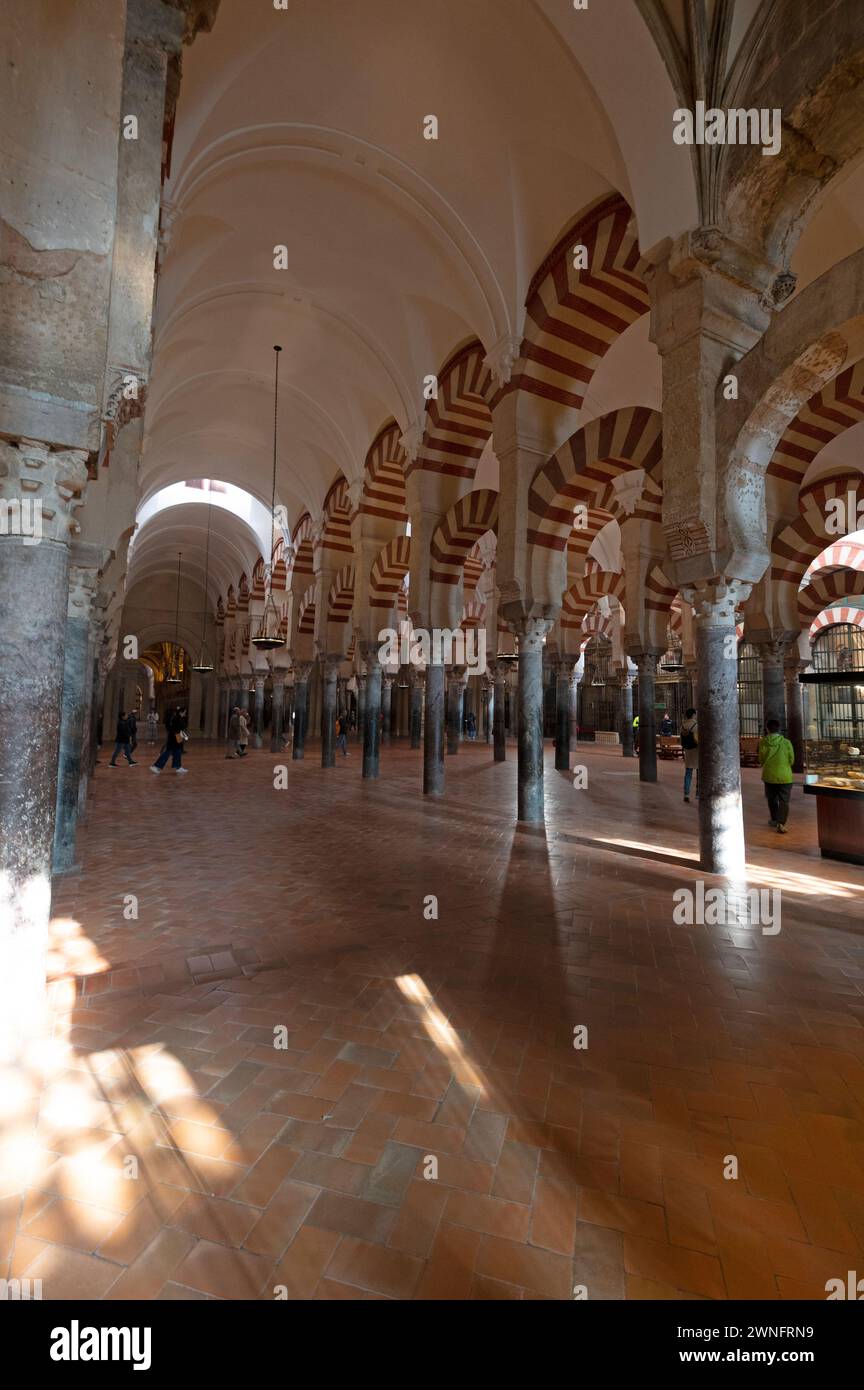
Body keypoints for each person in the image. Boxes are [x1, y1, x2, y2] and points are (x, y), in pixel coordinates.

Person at [758, 718, 795, 834]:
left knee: (771, 799)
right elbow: (791, 759)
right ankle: (781, 823)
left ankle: (774, 819)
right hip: (785, 776)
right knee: (784, 801)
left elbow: (761, 760)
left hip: (769, 775)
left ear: (767, 729)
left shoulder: (763, 742)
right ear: (779, 729)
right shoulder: (786, 742)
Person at [151, 706, 188, 774]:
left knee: (178, 752)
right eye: (184, 712)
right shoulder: (176, 719)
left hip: (177, 736)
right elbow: (176, 729)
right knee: (167, 752)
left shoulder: (179, 718)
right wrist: (180, 736)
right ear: (180, 712)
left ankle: (178, 767)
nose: (185, 714)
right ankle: (156, 766)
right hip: (174, 738)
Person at [680, 708, 698, 802]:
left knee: (688, 774)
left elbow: (681, 742)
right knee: (699, 774)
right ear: (693, 715)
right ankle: (698, 793)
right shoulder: (696, 725)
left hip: (688, 752)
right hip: (697, 752)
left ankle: (686, 794)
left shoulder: (683, 726)